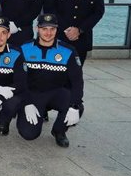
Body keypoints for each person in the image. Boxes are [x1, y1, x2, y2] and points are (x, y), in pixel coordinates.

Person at [17, 13, 84, 147]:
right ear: (37, 29)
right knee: (29, 134)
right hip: (33, 95)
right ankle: (34, 112)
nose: (48, 33)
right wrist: (27, 102)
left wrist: (74, 106)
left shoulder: (68, 51)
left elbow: (77, 81)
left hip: (57, 92)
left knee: (78, 107)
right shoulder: (24, 48)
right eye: (44, 29)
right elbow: (19, 80)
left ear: (57, 29)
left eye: (52, 29)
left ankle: (59, 131)